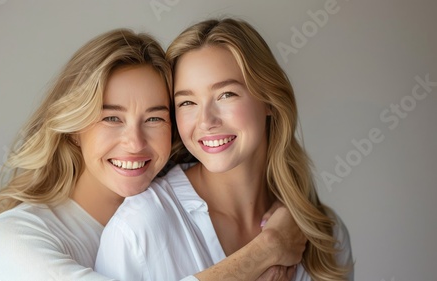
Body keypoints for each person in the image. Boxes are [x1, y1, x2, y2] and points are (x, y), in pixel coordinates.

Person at [0, 28, 305, 281]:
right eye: (112, 117)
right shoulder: (19, 235)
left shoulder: (175, 203)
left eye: (155, 118)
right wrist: (267, 248)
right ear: (73, 129)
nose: (135, 142)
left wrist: (293, 205)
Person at [95, 18, 354, 281]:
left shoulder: (324, 234)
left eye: (226, 95)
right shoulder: (137, 230)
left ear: (269, 100)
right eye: (187, 102)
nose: (206, 121)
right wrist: (268, 248)